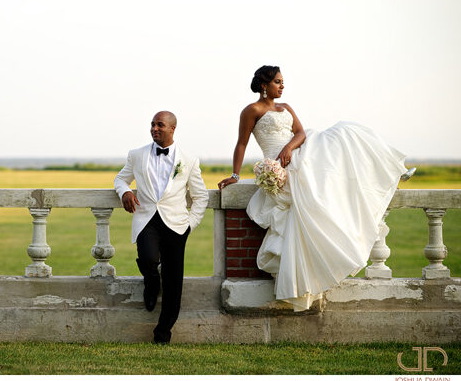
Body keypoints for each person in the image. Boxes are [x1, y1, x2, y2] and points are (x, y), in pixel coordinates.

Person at [218, 65, 414, 311]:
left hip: (297, 153)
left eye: (282, 82)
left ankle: (393, 167)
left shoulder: (286, 108)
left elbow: (299, 132)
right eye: (277, 82)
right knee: (317, 197)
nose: (282, 86)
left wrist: (289, 148)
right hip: (279, 168)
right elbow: (241, 144)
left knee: (346, 132)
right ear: (263, 85)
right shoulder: (252, 110)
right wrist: (235, 175)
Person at [114, 110, 209, 343]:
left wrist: (190, 225)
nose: (154, 129)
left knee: (174, 280)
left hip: (177, 225)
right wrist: (125, 191)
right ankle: (151, 281)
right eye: (152, 125)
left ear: (172, 129)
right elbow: (120, 178)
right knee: (147, 259)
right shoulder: (136, 155)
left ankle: (163, 332)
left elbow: (201, 197)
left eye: (160, 125)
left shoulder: (188, 159)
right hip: (147, 219)